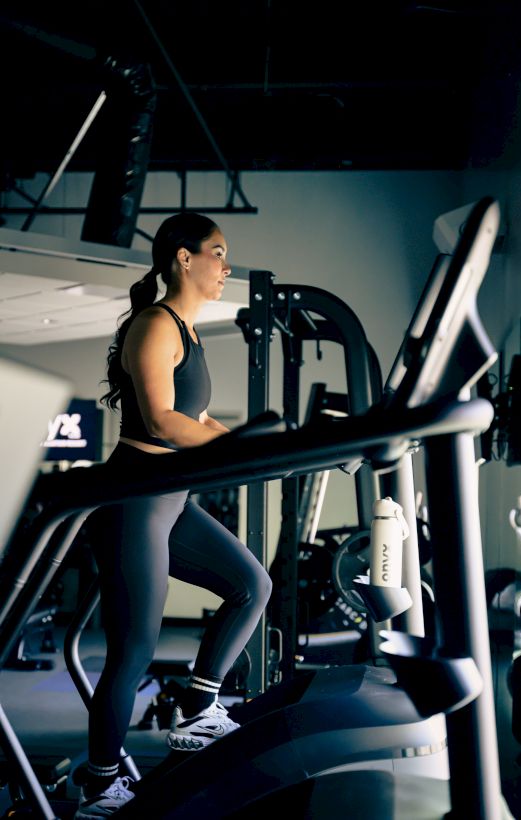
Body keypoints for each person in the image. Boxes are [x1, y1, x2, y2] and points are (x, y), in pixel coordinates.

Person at [75, 212, 273, 819]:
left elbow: (202, 421)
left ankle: (200, 708)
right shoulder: (155, 324)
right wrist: (231, 450)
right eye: (218, 253)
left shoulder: (187, 331)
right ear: (183, 258)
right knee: (133, 648)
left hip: (170, 496)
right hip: (134, 496)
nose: (225, 266)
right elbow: (162, 420)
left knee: (251, 584)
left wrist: (261, 449)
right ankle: (100, 786)